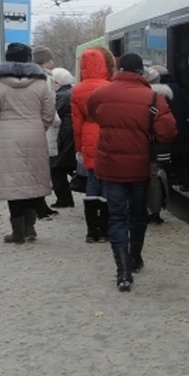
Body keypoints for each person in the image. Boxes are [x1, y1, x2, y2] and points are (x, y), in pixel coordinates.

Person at [89, 53, 177, 292]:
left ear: (118, 68)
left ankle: (123, 272)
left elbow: (94, 115)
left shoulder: (101, 94)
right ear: (141, 72)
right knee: (138, 215)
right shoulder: (153, 98)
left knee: (116, 217)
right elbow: (167, 132)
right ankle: (135, 258)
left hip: (110, 167)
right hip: (141, 168)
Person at [0, 42, 56, 244]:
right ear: (28, 58)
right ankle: (31, 228)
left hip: (5, 138)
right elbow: (49, 114)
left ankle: (18, 232)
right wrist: (38, 128)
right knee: (31, 183)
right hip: (34, 135)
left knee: (14, 185)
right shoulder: (40, 82)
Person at [71, 46, 116, 243]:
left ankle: (91, 231)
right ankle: (105, 229)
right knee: (107, 182)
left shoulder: (77, 90)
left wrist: (78, 148)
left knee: (91, 182)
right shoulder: (110, 87)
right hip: (107, 135)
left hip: (88, 136)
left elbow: (76, 124)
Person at [32, 45, 60, 217]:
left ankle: (37, 205)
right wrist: (56, 121)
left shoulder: (29, 76)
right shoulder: (45, 79)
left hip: (32, 125)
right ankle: (40, 205)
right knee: (42, 167)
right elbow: (49, 105)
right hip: (45, 126)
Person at [144, 65, 173, 224]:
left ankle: (146, 209)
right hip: (162, 146)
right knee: (159, 176)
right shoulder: (165, 96)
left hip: (145, 145)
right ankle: (156, 210)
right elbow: (167, 126)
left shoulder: (144, 97)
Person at [49, 67, 76, 209]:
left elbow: (53, 116)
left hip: (64, 136)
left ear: (56, 83)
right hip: (72, 135)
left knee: (56, 166)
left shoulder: (60, 96)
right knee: (70, 166)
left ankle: (64, 198)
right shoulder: (72, 92)